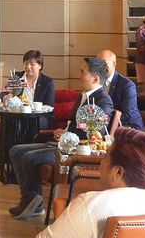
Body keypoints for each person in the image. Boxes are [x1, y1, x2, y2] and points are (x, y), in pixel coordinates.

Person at [7, 57, 114, 220]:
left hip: (73, 151)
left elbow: (93, 132)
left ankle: (32, 202)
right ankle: (31, 201)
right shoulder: (83, 96)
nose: (79, 75)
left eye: (83, 72)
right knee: (16, 151)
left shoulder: (103, 100)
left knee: (29, 157)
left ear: (95, 78)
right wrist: (63, 131)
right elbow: (74, 125)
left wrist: (69, 135)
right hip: (61, 144)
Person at [98, 49, 143, 130]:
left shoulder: (127, 86)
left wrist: (102, 120)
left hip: (129, 128)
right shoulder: (96, 82)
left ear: (114, 64)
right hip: (105, 127)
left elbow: (128, 115)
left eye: (104, 63)